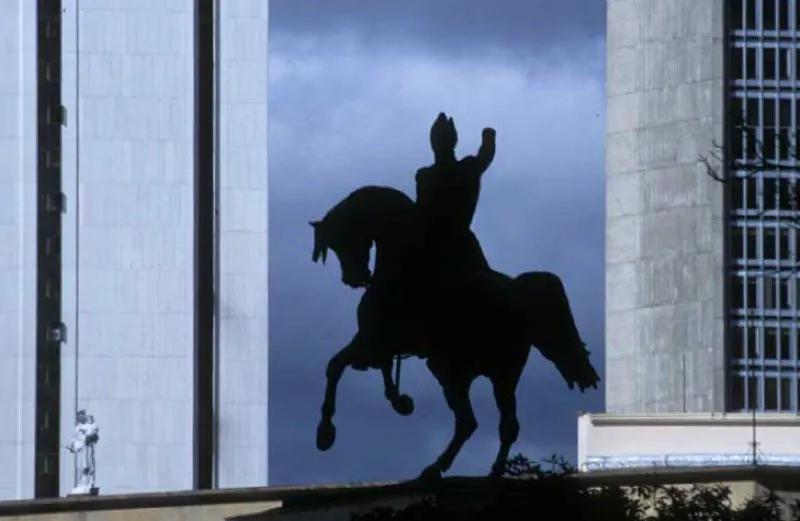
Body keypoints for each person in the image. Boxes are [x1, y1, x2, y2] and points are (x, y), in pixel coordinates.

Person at [414, 112, 496, 280]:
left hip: (459, 242)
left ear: (453, 141)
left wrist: (488, 138)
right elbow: (419, 211)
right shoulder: (425, 175)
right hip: (429, 243)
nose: (440, 144)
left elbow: (484, 157)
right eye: (438, 139)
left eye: (443, 139)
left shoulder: (466, 167)